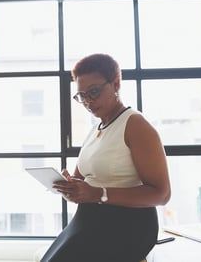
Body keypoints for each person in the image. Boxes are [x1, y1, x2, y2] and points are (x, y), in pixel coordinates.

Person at [40, 53, 171, 262]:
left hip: (126, 225)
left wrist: (98, 194)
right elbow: (84, 181)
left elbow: (161, 194)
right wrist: (71, 186)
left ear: (116, 84)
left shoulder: (135, 125)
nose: (88, 102)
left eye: (93, 92)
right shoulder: (96, 129)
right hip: (88, 220)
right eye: (81, 96)